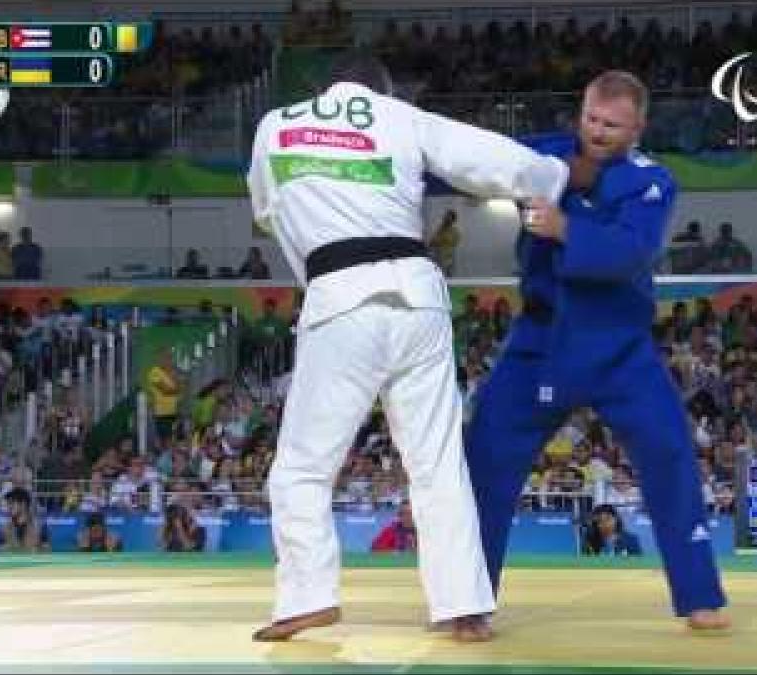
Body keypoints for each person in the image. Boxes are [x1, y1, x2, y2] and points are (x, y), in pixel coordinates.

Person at [246, 49, 574, 643]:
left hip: (339, 294)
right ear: (383, 88)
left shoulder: (277, 125)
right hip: (418, 294)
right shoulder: (401, 117)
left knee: (302, 468)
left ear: (331, 89)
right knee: (437, 464)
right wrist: (554, 178)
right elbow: (491, 158)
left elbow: (270, 213)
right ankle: (464, 608)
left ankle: (306, 596)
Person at [464, 70, 731, 632]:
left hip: (619, 346)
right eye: (590, 118)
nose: (597, 131)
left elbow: (629, 252)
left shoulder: (652, 180)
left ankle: (699, 595)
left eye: (611, 124)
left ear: (637, 126)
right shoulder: (545, 157)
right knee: (484, 461)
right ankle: (467, 601)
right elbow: (476, 156)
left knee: (669, 454)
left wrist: (564, 226)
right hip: (540, 338)